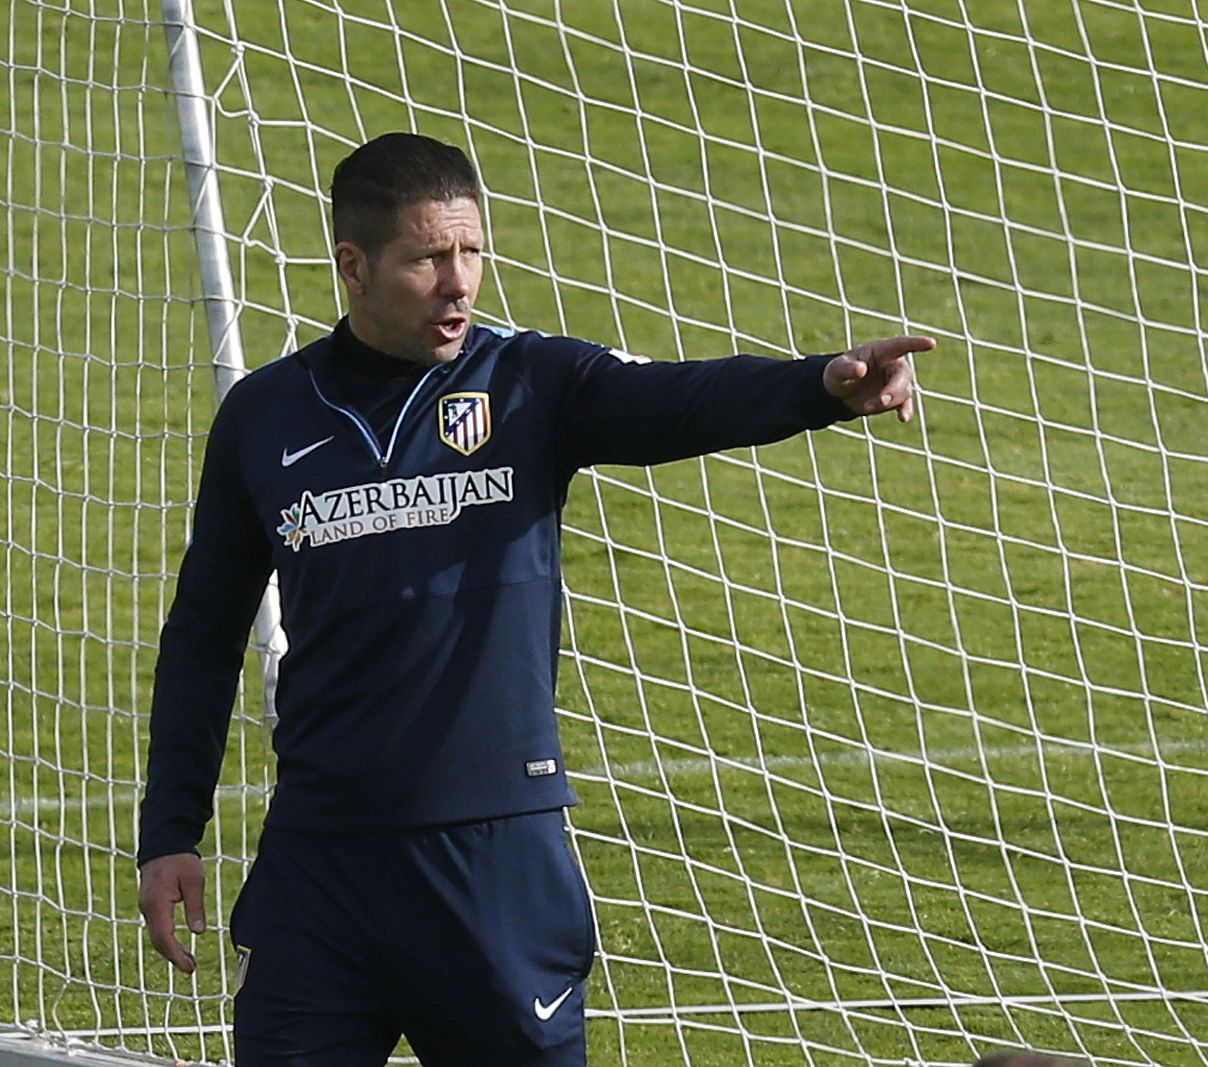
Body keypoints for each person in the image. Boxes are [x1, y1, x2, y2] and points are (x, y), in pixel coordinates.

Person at [135, 132, 931, 1066]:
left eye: (471, 250)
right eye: (428, 258)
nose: (459, 283)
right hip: (321, 867)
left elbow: (676, 400)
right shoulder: (267, 414)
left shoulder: (528, 384)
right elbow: (204, 634)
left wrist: (820, 385)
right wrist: (170, 831)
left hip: (495, 862)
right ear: (353, 265)